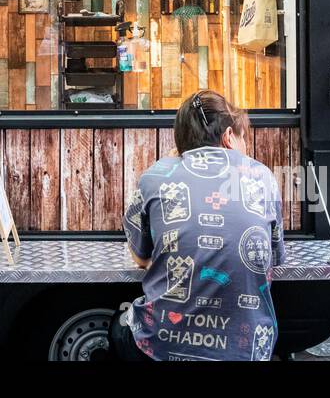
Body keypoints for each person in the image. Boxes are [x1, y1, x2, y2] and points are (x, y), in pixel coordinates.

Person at [115, 90, 287, 361]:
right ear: (229, 137)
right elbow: (274, 258)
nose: (247, 149)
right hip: (247, 349)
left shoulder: (156, 176)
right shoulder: (262, 176)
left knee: (120, 325)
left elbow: (139, 256)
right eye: (245, 139)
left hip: (164, 346)